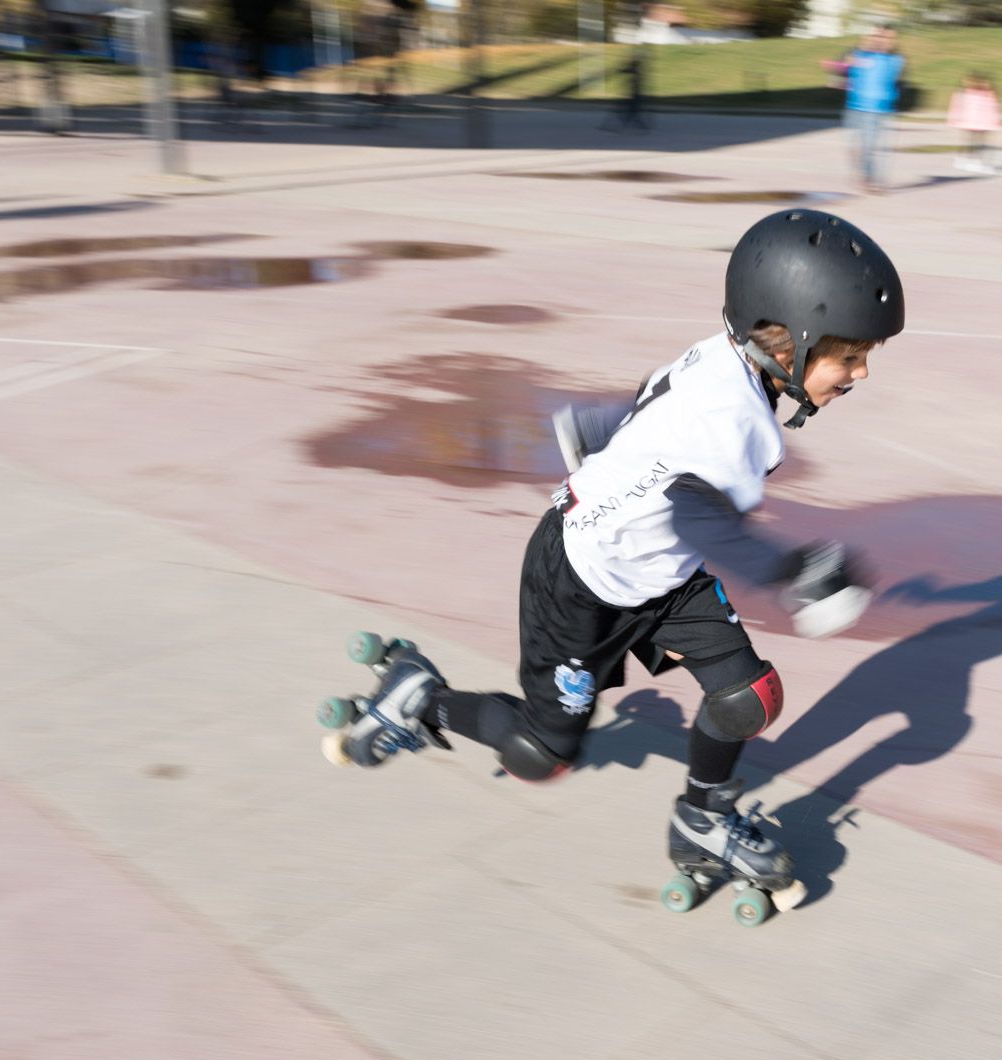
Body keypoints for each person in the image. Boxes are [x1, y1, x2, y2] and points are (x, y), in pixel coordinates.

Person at [325, 210, 905, 912]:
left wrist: (602, 434)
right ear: (791, 339)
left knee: (749, 697)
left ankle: (704, 817)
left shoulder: (723, 359)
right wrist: (794, 574)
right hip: (578, 582)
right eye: (849, 355)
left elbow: (656, 411)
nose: (861, 372)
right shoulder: (731, 424)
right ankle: (421, 697)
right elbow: (699, 513)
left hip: (659, 572)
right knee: (543, 754)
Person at [826, 26, 906, 194]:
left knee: (871, 148)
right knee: (855, 147)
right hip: (855, 107)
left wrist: (893, 98)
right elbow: (841, 68)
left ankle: (873, 181)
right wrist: (839, 78)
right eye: (881, 37)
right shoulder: (859, 55)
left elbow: (898, 82)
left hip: (880, 109)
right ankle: (863, 176)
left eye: (890, 39)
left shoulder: (896, 59)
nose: (885, 41)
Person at [946, 72, 1001, 175]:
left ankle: (975, 162)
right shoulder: (970, 93)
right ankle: (969, 161)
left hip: (983, 123)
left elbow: (994, 108)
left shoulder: (989, 94)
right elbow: (961, 106)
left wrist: (994, 121)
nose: (986, 85)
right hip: (973, 122)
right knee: (972, 142)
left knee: (979, 143)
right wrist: (956, 119)